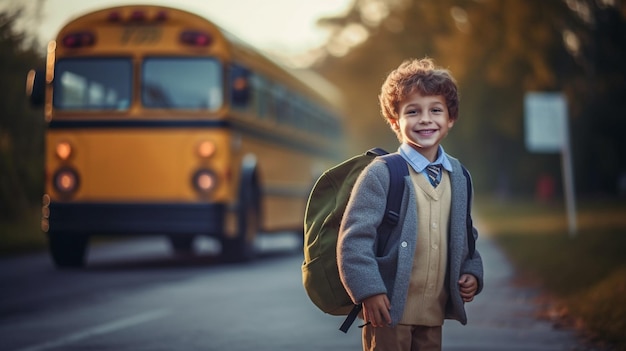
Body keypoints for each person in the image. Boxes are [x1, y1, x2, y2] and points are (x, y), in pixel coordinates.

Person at [337, 57, 484, 351]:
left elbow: (466, 234)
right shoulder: (382, 173)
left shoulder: (459, 176)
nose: (426, 119)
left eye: (436, 110)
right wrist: (369, 291)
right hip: (388, 311)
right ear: (395, 121)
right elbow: (353, 240)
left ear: (450, 119)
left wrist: (472, 271)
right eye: (413, 111)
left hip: (433, 314)